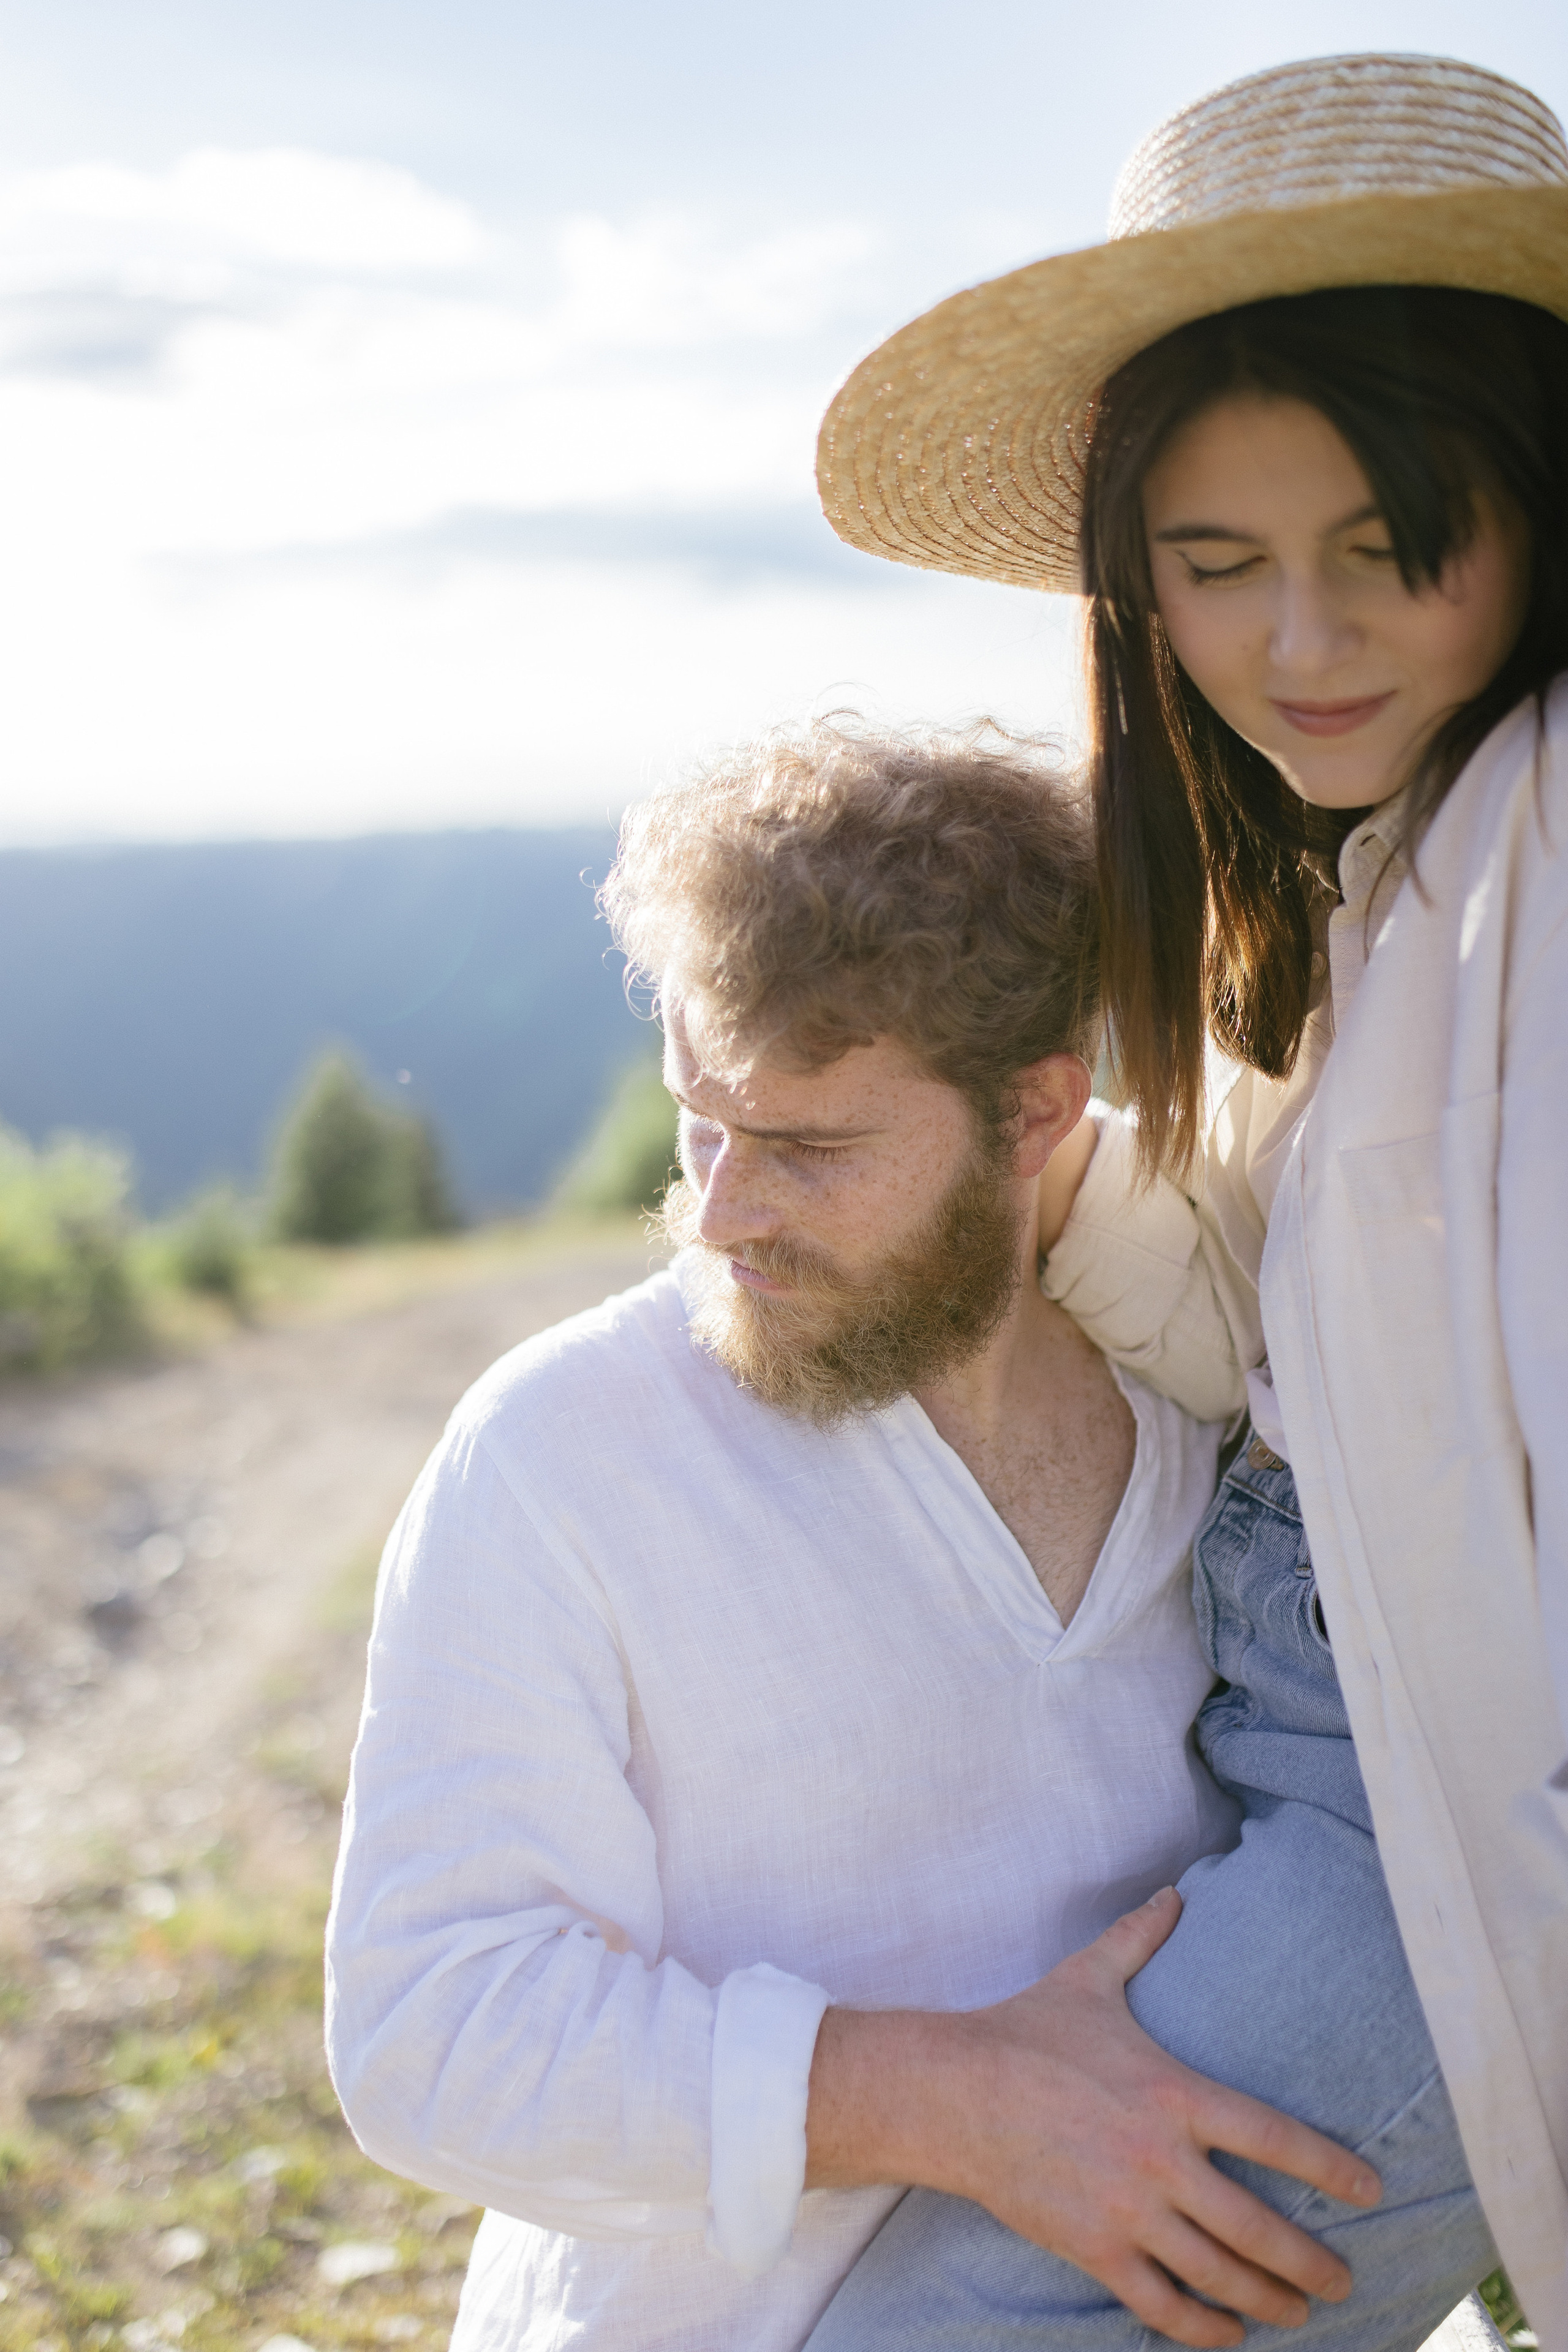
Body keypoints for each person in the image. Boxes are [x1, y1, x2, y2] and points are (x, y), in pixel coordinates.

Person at [810, 49, 1567, 2352]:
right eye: (1216, 569)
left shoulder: (1537, 837)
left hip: (1435, 1805)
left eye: (1388, 545)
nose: (1300, 647)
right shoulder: (1412, 864)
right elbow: (1358, 1339)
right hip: (1316, 1738)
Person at [323, 726, 1383, 2352]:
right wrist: (947, 2099)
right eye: (699, 1122)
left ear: (1035, 1115)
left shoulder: (1206, 1407)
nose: (723, 1211)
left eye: (811, 1149)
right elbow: (433, 2031)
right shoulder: (559, 1451)